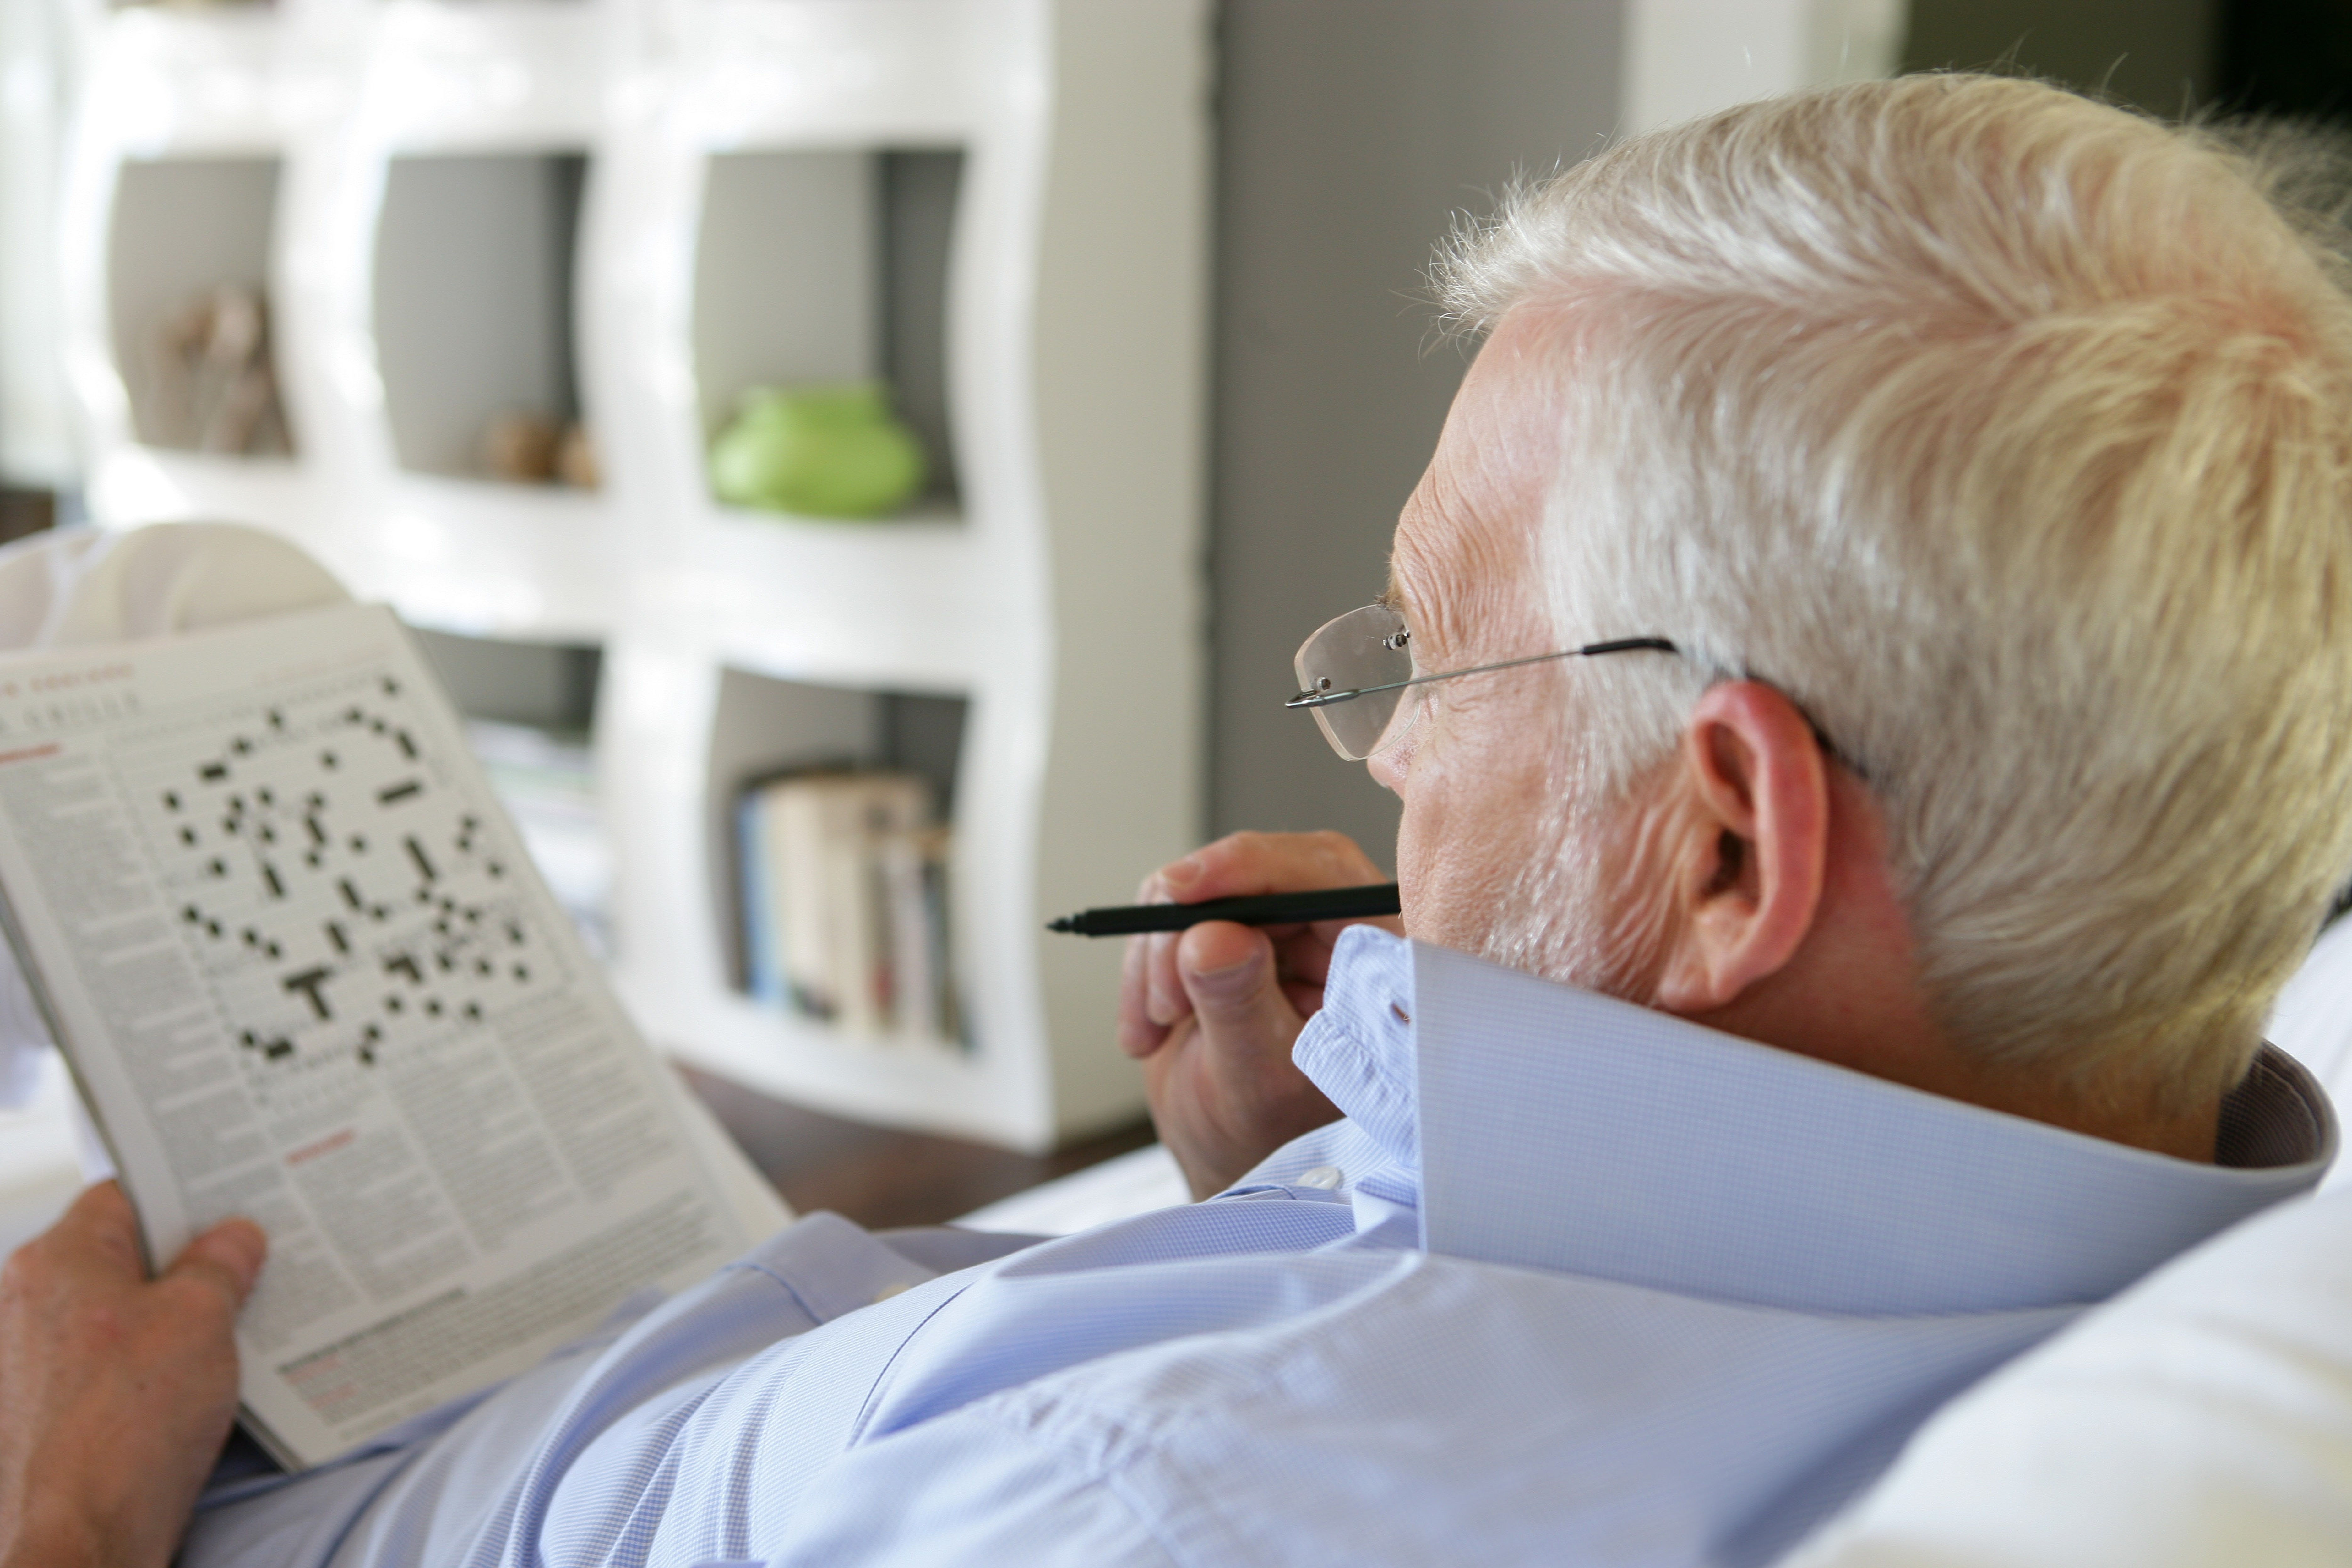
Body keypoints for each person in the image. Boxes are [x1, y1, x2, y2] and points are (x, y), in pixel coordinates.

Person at [6, 72, 2352, 1568]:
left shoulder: (1148, 1511)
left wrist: (64, 1515)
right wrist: (1324, 1177)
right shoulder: (2073, 1150)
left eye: (1436, 655)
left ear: (1726, 848)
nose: (1385, 754)